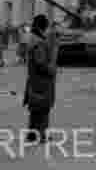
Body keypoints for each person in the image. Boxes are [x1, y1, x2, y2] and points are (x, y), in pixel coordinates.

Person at [23, 14, 59, 144]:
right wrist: (51, 69)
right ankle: (41, 135)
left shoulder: (32, 38)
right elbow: (41, 63)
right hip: (41, 80)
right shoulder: (38, 42)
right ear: (43, 26)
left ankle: (32, 134)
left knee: (35, 108)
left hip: (34, 79)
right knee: (43, 108)